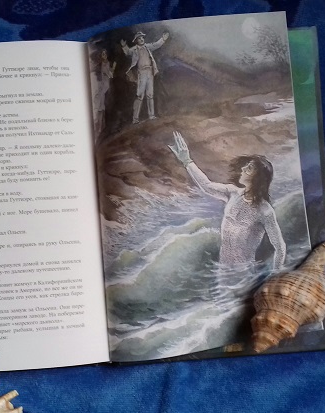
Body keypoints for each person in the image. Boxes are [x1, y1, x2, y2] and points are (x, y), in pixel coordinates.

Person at [168, 131, 286, 268]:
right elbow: (207, 185)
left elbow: (280, 247)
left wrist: (276, 274)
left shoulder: (265, 211)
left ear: (258, 178)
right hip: (223, 271)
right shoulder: (232, 193)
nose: (243, 168)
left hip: (244, 273)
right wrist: (187, 161)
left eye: (249, 168)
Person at [120, 30, 169, 124]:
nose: (141, 39)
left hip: (150, 72)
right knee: (139, 95)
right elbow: (127, 52)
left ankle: (151, 115)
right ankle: (135, 119)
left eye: (142, 37)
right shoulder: (134, 49)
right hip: (141, 73)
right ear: (136, 40)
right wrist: (124, 46)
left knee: (150, 94)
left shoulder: (148, 46)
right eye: (139, 38)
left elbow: (156, 45)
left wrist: (163, 39)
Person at [90, 49, 116, 139]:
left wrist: (112, 68)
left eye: (105, 54)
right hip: (100, 86)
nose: (104, 55)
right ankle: (98, 128)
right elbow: (109, 74)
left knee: (101, 107)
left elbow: (110, 74)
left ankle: (100, 128)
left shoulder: (107, 63)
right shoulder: (100, 64)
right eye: (103, 54)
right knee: (98, 107)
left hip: (104, 87)